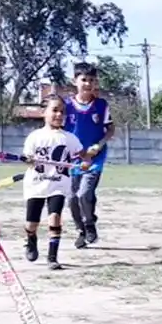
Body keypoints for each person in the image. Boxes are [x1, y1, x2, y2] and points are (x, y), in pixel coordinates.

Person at [21, 96, 85, 270]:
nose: (59, 115)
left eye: (62, 112)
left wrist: (85, 160)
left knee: (55, 217)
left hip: (58, 184)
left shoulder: (69, 138)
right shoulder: (35, 137)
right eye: (54, 110)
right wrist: (29, 160)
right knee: (31, 224)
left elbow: (81, 155)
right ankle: (31, 239)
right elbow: (28, 159)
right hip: (36, 185)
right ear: (44, 113)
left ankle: (52, 257)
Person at [63, 62, 114, 248]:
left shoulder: (101, 105)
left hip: (94, 158)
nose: (87, 83)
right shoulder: (66, 106)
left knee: (85, 193)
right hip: (73, 159)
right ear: (74, 81)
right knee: (72, 198)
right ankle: (80, 230)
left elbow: (110, 130)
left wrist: (98, 146)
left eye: (91, 80)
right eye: (84, 79)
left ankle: (90, 224)